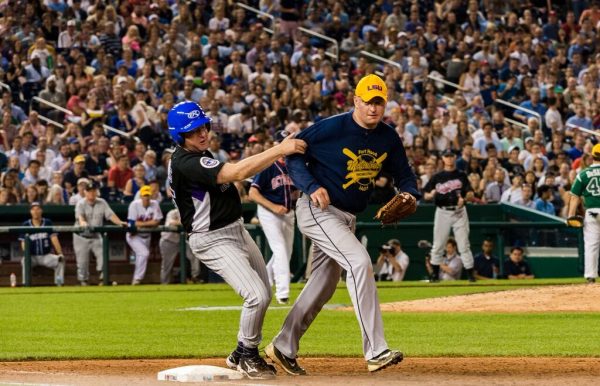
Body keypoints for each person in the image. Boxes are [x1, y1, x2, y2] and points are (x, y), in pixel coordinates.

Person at [267, 74, 417, 375]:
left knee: (323, 284)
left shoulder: (387, 137)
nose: (374, 108)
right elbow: (292, 153)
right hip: (318, 210)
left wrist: (411, 192)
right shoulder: (332, 128)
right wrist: (310, 185)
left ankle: (283, 345)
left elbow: (404, 173)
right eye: (368, 101)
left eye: (379, 102)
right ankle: (376, 351)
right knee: (360, 263)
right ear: (356, 101)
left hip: (347, 217)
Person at [167, 100, 306, 379]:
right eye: (194, 131)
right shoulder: (184, 161)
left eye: (203, 127)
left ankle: (240, 352)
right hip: (211, 238)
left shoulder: (198, 154)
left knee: (264, 293)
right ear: (180, 136)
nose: (202, 133)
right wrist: (279, 149)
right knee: (255, 295)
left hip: (235, 230)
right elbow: (239, 173)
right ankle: (248, 354)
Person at [248, 130, 297, 305]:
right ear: (276, 144)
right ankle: (283, 293)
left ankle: (265, 281)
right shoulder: (268, 165)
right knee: (280, 250)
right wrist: (273, 207)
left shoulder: (293, 165)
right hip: (269, 213)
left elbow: (294, 189)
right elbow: (252, 193)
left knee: (285, 253)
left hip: (288, 213)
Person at [423, 148, 476, 282]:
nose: (449, 158)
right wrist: (431, 194)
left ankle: (470, 274)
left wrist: (465, 199)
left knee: (464, 244)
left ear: (454, 158)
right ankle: (435, 275)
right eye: (447, 156)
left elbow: (470, 193)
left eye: (451, 156)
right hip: (442, 211)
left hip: (459, 211)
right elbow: (426, 195)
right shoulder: (437, 177)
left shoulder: (462, 175)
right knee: (438, 245)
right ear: (443, 159)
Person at [74, 182, 127, 286]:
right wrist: (83, 223)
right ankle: (83, 281)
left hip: (96, 235)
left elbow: (110, 215)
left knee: (103, 256)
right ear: (85, 193)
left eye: (93, 191)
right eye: (89, 191)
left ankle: (104, 279)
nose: (92, 193)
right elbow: (80, 217)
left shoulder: (102, 202)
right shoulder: (81, 203)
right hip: (81, 236)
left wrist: (119, 222)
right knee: (82, 262)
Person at [567, 143, 600, 284]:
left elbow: (574, 197)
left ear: (592, 156)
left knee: (591, 245)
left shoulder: (583, 174)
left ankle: (590, 276)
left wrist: (570, 215)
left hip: (592, 212)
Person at [19, 202, 65, 286]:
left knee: (60, 260)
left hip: (46, 256)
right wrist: (26, 255)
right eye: (33, 209)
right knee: (24, 261)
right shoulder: (26, 224)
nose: (35, 211)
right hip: (32, 257)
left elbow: (54, 239)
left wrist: (60, 253)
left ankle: (59, 284)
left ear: (41, 211)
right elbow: (23, 243)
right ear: (30, 212)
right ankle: (26, 284)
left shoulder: (47, 222)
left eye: (38, 209)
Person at [126, 185, 163, 285]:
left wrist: (142, 224)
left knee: (141, 256)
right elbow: (133, 223)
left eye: (148, 195)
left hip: (147, 236)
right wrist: (149, 223)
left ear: (151, 196)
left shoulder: (155, 204)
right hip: (134, 236)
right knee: (144, 253)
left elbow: (157, 221)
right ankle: (137, 279)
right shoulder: (134, 205)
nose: (146, 198)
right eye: (144, 195)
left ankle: (136, 279)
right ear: (141, 196)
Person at [159, 208, 201, 284]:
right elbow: (172, 223)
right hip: (168, 241)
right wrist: (184, 223)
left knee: (194, 254)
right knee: (167, 264)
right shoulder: (173, 212)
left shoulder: (189, 212)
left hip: (181, 241)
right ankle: (164, 283)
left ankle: (195, 277)